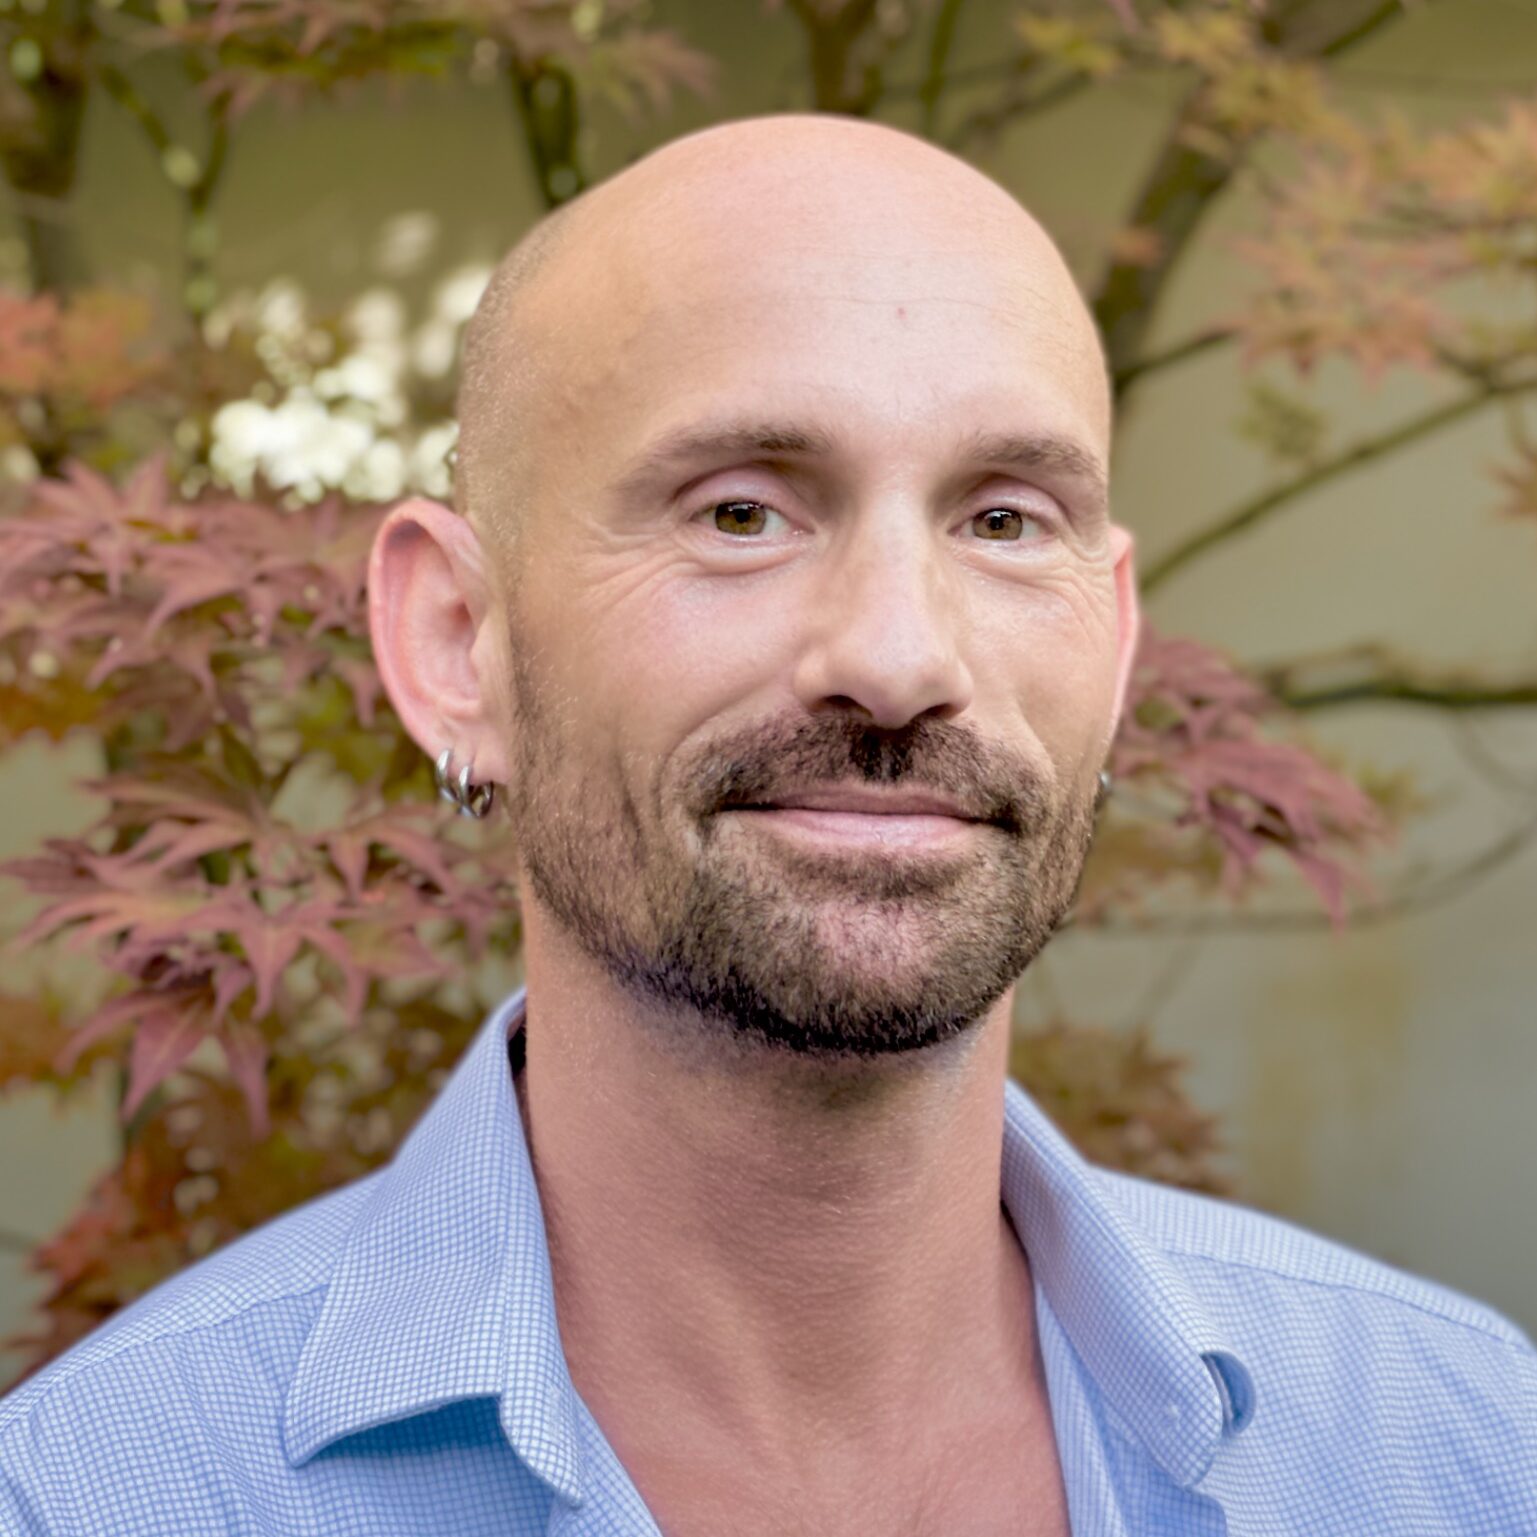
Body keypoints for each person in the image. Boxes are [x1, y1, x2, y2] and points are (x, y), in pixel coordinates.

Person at [2, 112, 1533, 1537]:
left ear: (1115, 646)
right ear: (458, 643)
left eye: (1005, 520)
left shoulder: (1459, 1449)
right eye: (740, 511)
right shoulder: (94, 1498)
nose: (899, 657)